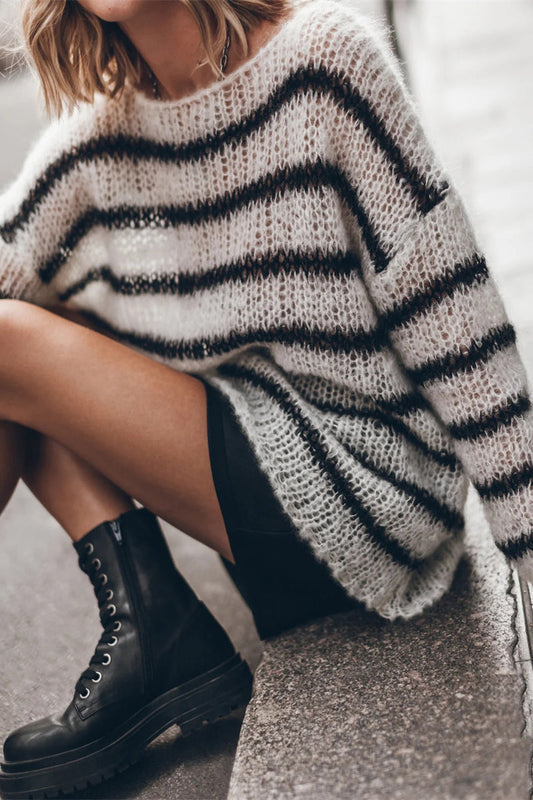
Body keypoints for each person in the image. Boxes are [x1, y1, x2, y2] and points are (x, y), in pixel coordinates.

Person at [0, 0, 532, 797]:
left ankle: (157, 636)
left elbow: (458, 331)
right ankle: (148, 624)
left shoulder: (324, 64)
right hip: (260, 500)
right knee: (31, 324)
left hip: (374, 497)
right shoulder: (100, 140)